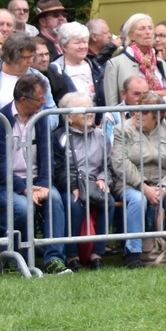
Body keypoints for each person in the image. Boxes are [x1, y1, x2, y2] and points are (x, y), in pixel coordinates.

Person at [0, 73, 72, 273]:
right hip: (10, 184)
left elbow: (48, 158)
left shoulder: (41, 120)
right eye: (40, 99)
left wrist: (45, 185)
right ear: (23, 100)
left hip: (38, 181)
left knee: (55, 200)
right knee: (21, 208)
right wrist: (24, 189)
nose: (44, 102)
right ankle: (15, 259)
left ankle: (54, 259)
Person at [110, 98, 166, 268]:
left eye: (145, 111)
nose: (138, 114)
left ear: (158, 116)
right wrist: (143, 187)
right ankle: (133, 254)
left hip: (164, 183)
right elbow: (119, 163)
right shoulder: (122, 130)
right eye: (136, 109)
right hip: (130, 183)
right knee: (138, 200)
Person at [56, 93, 110, 269]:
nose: (89, 114)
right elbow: (59, 168)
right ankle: (72, 256)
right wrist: (73, 186)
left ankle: (97, 254)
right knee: (74, 204)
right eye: (82, 110)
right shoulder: (61, 137)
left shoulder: (101, 136)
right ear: (69, 117)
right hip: (71, 186)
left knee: (107, 201)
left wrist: (103, 179)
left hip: (94, 184)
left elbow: (107, 165)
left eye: (90, 109)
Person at [0, 34, 53, 112]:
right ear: (10, 57)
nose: (30, 61)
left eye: (32, 56)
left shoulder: (40, 78)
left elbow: (51, 110)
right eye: (26, 58)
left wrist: (40, 123)